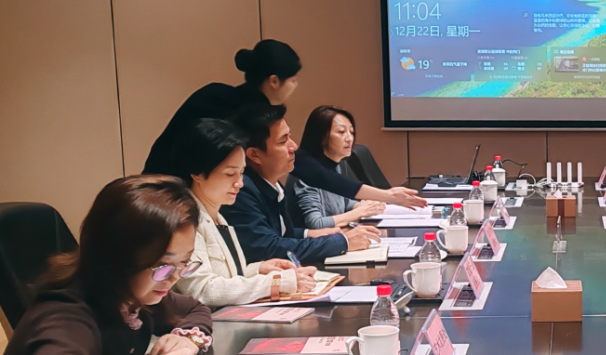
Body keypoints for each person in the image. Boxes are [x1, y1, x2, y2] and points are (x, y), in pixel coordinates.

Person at [0, 176, 210, 355]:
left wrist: (188, 339)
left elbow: (195, 309)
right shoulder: (65, 314)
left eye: (185, 262)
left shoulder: (137, 293)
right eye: (162, 265)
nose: (174, 277)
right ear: (118, 257)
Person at [144, 40, 426, 211]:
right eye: (293, 80)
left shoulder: (218, 95)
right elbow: (311, 170)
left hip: (170, 185)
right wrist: (385, 196)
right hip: (174, 192)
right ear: (274, 81)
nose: (295, 87)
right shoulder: (250, 115)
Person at [172, 119, 319, 306]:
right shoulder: (185, 221)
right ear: (197, 173)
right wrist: (276, 282)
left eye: (241, 173)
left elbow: (225, 276)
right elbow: (203, 290)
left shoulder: (217, 216)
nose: (239, 183)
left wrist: (258, 269)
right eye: (229, 174)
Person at [220, 104, 379, 264]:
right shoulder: (241, 191)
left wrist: (309, 234)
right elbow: (267, 248)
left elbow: (280, 233)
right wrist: (342, 242)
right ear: (254, 154)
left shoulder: (271, 185)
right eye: (283, 141)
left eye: (290, 137)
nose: (293, 146)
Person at [293, 106, 385, 229]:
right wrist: (360, 212)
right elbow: (316, 223)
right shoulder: (307, 173)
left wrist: (362, 206)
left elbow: (342, 203)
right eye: (341, 132)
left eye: (351, 132)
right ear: (321, 137)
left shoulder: (333, 165)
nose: (349, 138)